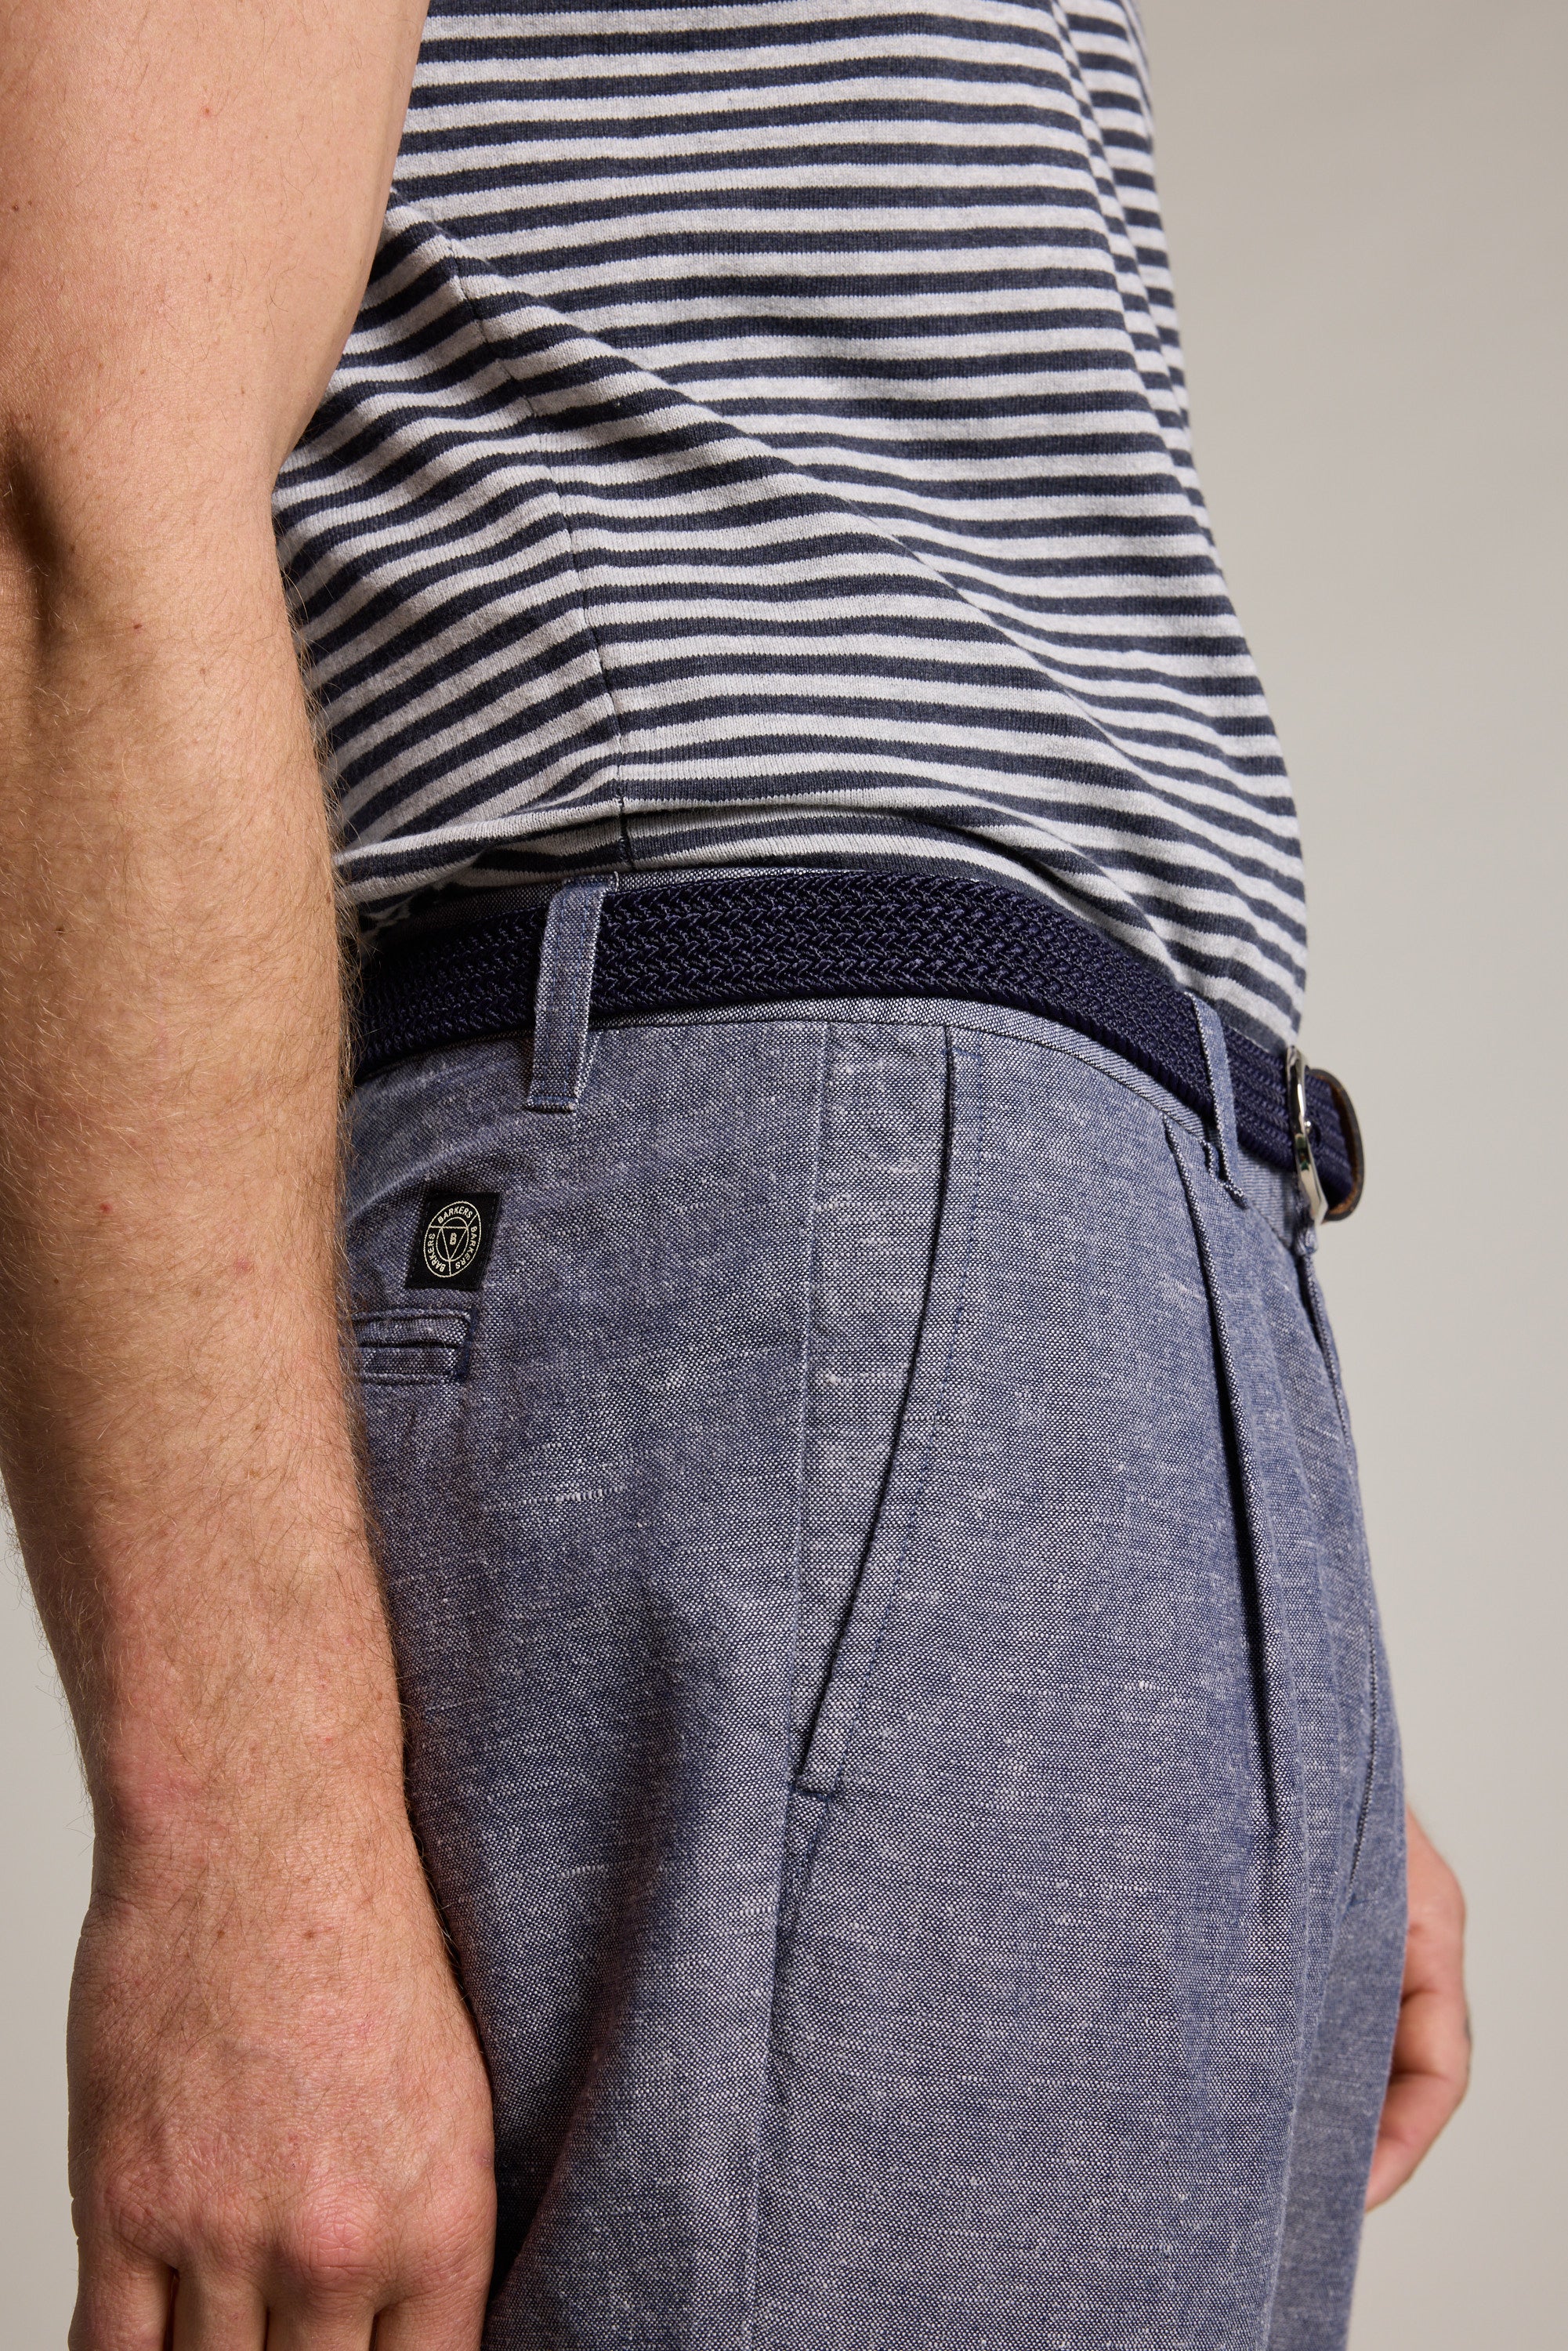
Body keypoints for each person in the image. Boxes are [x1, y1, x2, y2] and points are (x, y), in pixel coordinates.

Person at [0, 2, 1469, 2346]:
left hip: (1042, 1266)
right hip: (799, 1199)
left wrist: (1177, 1611)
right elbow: (81, 460)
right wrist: (233, 1841)